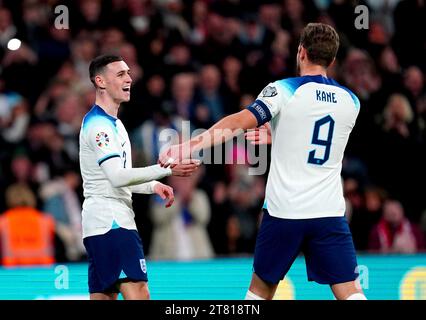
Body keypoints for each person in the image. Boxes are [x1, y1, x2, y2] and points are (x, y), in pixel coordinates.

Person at [159, 23, 367, 300]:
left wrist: (191, 144)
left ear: (301, 52)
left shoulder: (282, 89)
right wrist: (279, 135)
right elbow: (321, 138)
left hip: (285, 212)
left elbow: (238, 122)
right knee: (351, 292)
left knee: (259, 292)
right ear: (332, 59)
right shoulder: (351, 101)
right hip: (328, 212)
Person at [80, 54, 200, 300]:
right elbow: (117, 177)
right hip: (113, 223)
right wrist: (167, 170)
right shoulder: (100, 127)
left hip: (100, 224)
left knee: (104, 297)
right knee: (138, 292)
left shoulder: (114, 124)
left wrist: (153, 185)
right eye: (121, 74)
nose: (129, 79)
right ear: (100, 81)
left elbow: (121, 177)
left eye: (129, 73)